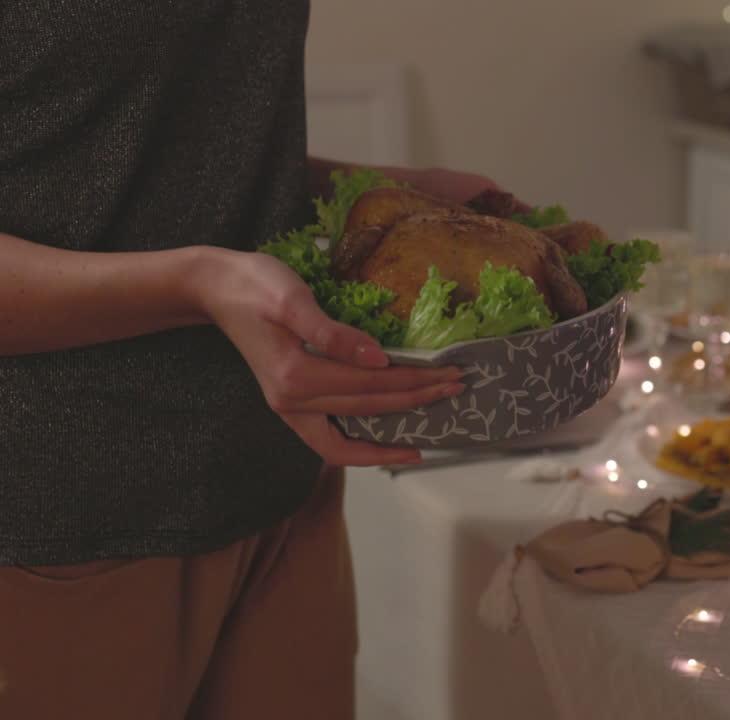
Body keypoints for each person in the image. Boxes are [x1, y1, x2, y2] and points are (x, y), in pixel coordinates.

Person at [0, 4, 515, 717]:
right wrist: (198, 285)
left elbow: (147, 158)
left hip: (277, 493)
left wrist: (382, 194)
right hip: (57, 525)